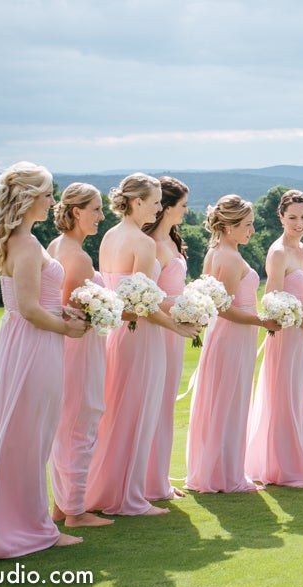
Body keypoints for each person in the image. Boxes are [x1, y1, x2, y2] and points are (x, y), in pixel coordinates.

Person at [0, 162, 88, 562]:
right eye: (47, 194)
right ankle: (28, 529)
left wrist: (65, 313)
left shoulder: (23, 239)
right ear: (28, 198)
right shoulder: (26, 244)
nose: (52, 201)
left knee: (29, 437)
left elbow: (35, 303)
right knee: (27, 439)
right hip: (32, 344)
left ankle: (29, 524)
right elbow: (29, 308)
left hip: (27, 341)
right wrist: (68, 329)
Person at [85, 173, 200, 516]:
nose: (157, 208)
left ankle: (112, 490)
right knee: (139, 412)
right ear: (136, 202)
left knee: (118, 413)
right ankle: (130, 498)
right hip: (143, 337)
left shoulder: (108, 237)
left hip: (118, 335)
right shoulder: (145, 244)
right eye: (153, 202)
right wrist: (178, 328)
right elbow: (143, 307)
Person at [185, 194, 280, 493]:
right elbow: (223, 308)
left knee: (222, 401)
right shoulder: (229, 257)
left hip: (229, 336)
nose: (252, 230)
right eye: (247, 225)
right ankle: (225, 476)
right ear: (229, 226)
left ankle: (218, 470)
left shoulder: (216, 252)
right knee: (229, 402)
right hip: (233, 336)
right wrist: (262, 321)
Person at [245, 190, 303, 488]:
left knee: (297, 397)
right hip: (287, 334)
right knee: (284, 398)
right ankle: (285, 469)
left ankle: (291, 461)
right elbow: (271, 299)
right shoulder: (278, 251)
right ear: (280, 217)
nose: (299, 223)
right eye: (292, 217)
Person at [47, 183, 114, 528]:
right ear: (76, 212)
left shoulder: (57, 246)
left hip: (68, 347)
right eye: (96, 210)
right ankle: (75, 511)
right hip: (81, 347)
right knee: (82, 421)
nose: (102, 216)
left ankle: (62, 505)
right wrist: (110, 311)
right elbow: (75, 309)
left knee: (67, 423)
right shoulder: (78, 256)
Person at [143, 176, 190, 501]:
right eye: (183, 205)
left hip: (177, 330)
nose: (186, 211)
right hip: (160, 329)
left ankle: (158, 477)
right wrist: (186, 307)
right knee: (154, 404)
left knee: (166, 405)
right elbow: (151, 299)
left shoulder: (172, 241)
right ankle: (148, 482)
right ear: (167, 208)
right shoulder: (153, 247)